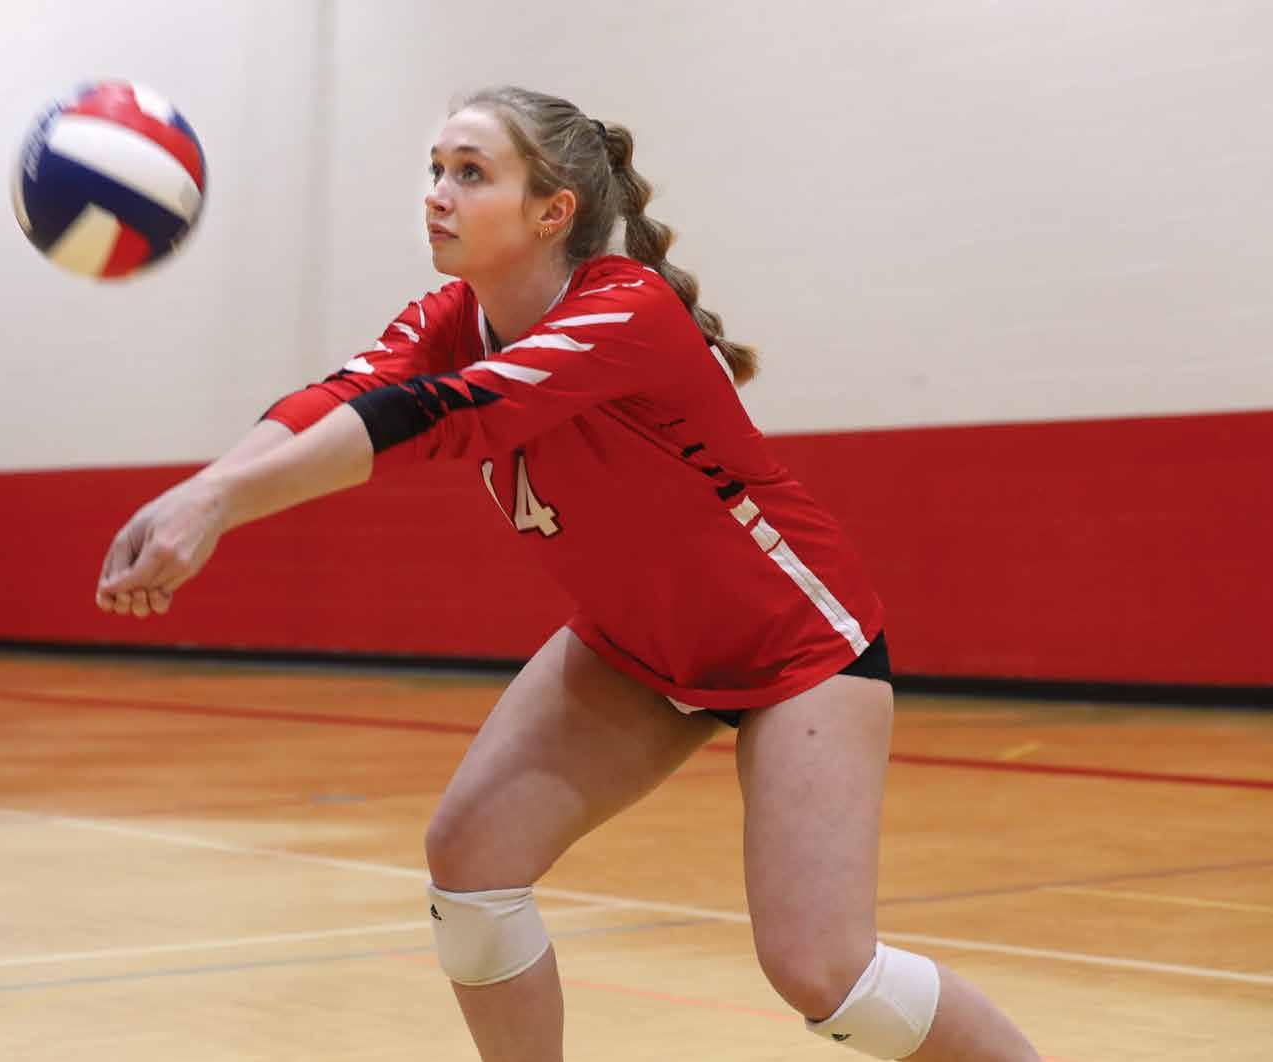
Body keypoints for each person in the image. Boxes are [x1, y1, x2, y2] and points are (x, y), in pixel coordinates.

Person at [95, 85, 1040, 1061]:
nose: (437, 194)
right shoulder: (448, 317)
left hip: (794, 646)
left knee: (824, 971)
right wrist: (198, 493)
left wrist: (219, 505)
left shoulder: (623, 310)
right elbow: (338, 396)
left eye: (472, 173)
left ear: (554, 211)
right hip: (636, 647)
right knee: (471, 861)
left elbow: (440, 418)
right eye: (435, 170)